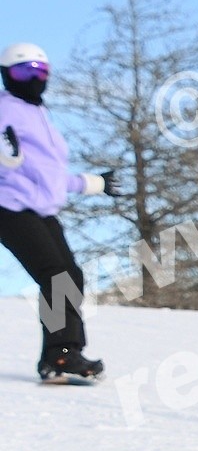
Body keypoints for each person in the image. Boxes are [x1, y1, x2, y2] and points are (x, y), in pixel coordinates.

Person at [0, 42, 120, 382]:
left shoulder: (39, 115)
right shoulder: (5, 108)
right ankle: (63, 353)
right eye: (24, 71)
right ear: (7, 74)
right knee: (55, 275)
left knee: (70, 276)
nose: (34, 79)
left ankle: (56, 358)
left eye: (41, 71)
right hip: (9, 207)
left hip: (40, 210)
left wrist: (93, 183)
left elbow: (48, 176)